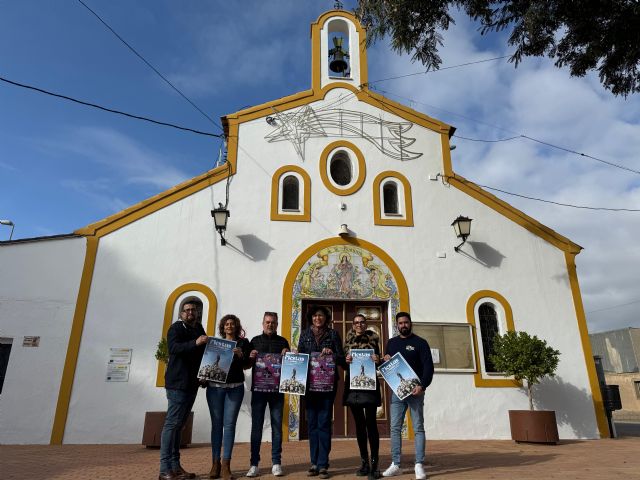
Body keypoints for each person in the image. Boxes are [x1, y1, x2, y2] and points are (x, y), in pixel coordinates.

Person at [382, 312, 434, 480]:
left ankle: (419, 464)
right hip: (398, 393)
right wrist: (385, 359)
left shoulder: (420, 343)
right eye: (400, 323)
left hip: (415, 392)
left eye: (406, 322)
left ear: (410, 323)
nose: (403, 325)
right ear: (397, 325)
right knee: (395, 428)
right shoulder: (391, 343)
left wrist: (422, 386)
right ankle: (396, 464)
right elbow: (387, 365)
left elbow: (428, 368)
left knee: (418, 428)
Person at [159, 302, 208, 480]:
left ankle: (175, 466)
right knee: (172, 425)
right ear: (181, 314)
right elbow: (173, 348)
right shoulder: (176, 328)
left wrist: (205, 374)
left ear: (197, 313)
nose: (190, 313)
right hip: (177, 384)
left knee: (179, 426)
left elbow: (203, 355)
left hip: (192, 384)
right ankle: (164, 469)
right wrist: (195, 342)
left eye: (193, 310)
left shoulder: (199, 328)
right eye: (186, 311)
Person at [297, 305, 345, 479]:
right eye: (315, 315)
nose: (318, 318)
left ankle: (323, 463)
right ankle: (314, 462)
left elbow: (341, 358)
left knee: (324, 422)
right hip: (309, 384)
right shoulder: (304, 334)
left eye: (321, 315)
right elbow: (300, 357)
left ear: (326, 318)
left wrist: (331, 352)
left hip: (327, 385)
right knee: (312, 423)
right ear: (311, 318)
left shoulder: (333, 334)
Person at [246, 312, 290, 478]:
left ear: (277, 324)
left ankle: (276, 463)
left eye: (273, 322)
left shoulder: (283, 341)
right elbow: (248, 364)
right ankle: (254, 464)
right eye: (267, 322)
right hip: (258, 391)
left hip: (276, 392)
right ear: (263, 323)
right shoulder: (255, 341)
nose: (270, 325)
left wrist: (287, 353)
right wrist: (250, 358)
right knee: (256, 427)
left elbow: (290, 365)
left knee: (277, 428)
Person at [207, 314, 251, 480]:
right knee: (216, 425)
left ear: (236, 326)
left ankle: (226, 465)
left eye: (232, 324)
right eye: (227, 324)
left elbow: (247, 363)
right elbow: (209, 362)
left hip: (235, 387)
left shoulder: (243, 343)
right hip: (215, 388)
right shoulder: (216, 344)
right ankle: (215, 464)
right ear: (222, 327)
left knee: (230, 425)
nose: (229, 326)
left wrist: (241, 355)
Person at [344, 314, 382, 479]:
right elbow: (342, 361)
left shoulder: (374, 338)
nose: (359, 325)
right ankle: (364, 462)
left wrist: (377, 359)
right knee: (359, 425)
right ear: (353, 325)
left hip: (370, 385)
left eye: (362, 322)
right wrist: (345, 360)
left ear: (366, 324)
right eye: (356, 322)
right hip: (353, 387)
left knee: (371, 423)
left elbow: (379, 359)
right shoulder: (347, 340)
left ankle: (375, 464)